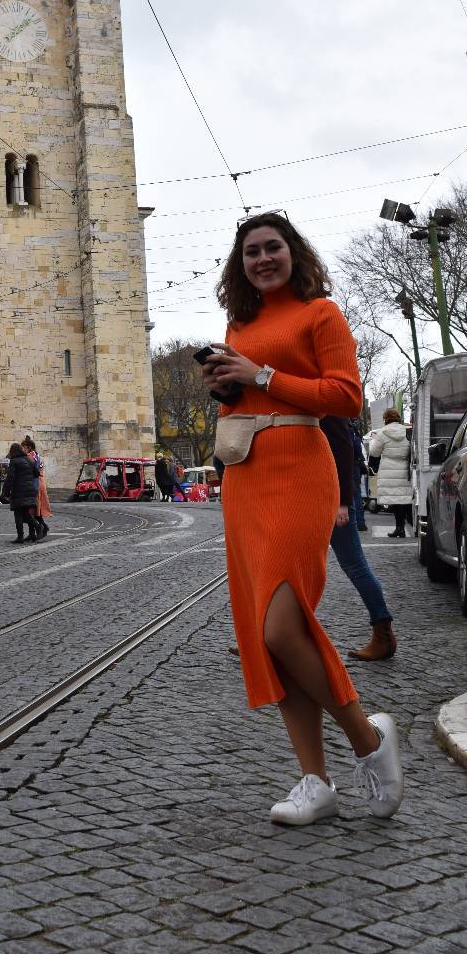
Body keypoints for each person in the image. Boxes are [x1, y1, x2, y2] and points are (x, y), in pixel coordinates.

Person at [202, 212, 403, 825]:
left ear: (294, 253)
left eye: (273, 248)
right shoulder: (242, 321)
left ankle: (368, 740)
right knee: (271, 633)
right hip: (245, 476)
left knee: (281, 629)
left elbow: (345, 397)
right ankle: (314, 779)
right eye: (252, 252)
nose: (263, 259)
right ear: (241, 265)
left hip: (300, 469)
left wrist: (260, 373)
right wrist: (227, 381)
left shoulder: (322, 314)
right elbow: (254, 393)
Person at [321, 416, 397, 661]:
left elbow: (343, 453)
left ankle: (383, 634)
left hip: (330, 500)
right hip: (313, 497)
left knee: (354, 565)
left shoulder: (327, 407)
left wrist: (342, 502)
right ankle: (268, 634)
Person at [369, 409, 413, 539]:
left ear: (385, 419)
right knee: (406, 498)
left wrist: (373, 441)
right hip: (405, 468)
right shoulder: (407, 431)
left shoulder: (382, 433)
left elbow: (374, 453)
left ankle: (399, 528)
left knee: (395, 500)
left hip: (389, 468)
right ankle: (410, 525)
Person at [3, 442, 41, 542]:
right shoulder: (29, 459)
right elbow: (37, 473)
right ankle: (34, 531)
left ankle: (21, 536)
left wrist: (5, 493)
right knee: (25, 513)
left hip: (19, 490)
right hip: (30, 490)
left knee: (18, 513)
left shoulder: (14, 461)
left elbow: (10, 478)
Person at [23, 436, 51, 536]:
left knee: (31, 509)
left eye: (24, 447)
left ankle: (38, 529)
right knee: (35, 509)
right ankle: (40, 529)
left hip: (34, 483)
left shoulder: (29, 457)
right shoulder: (37, 456)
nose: (23, 450)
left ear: (29, 447)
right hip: (40, 482)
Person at [349, 420, 368, 532]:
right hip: (356, 464)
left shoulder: (347, 427)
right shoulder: (353, 428)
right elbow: (358, 447)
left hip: (348, 463)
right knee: (357, 493)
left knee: (352, 493)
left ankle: (355, 521)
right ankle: (360, 522)